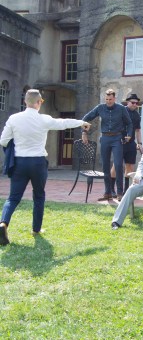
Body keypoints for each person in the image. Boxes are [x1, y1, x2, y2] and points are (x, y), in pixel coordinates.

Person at [0, 89, 91, 245]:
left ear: (25, 101)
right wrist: (82, 123)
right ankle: (36, 229)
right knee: (39, 195)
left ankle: (3, 223)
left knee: (13, 197)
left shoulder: (13, 118)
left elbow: (3, 141)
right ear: (39, 102)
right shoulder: (44, 119)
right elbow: (63, 123)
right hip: (38, 162)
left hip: (19, 162)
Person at [82, 89, 133, 201]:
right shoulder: (100, 108)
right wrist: (84, 132)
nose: (108, 101)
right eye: (106, 99)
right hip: (105, 138)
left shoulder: (121, 109)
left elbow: (129, 123)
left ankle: (119, 192)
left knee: (118, 165)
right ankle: (108, 192)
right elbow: (86, 118)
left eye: (110, 99)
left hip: (117, 138)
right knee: (105, 165)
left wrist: (129, 135)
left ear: (114, 98)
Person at [110, 93, 143, 196]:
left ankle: (126, 189)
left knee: (130, 166)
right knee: (116, 165)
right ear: (127, 102)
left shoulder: (137, 115)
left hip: (131, 143)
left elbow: (138, 130)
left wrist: (139, 143)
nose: (135, 105)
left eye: (136, 103)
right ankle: (111, 189)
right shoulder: (120, 111)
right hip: (119, 142)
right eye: (133, 103)